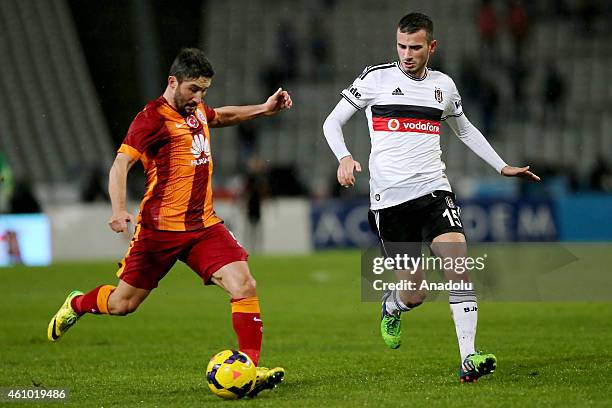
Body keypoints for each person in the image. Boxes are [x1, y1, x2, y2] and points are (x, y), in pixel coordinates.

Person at [47, 48, 292, 397]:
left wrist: (263, 109)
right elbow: (120, 165)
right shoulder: (151, 118)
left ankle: (248, 370)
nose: (199, 98)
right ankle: (77, 303)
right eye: (193, 89)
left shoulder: (196, 111)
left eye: (204, 90)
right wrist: (118, 210)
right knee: (122, 305)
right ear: (172, 81)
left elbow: (220, 116)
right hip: (158, 231)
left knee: (244, 285)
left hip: (204, 227)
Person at [322, 13, 540, 382]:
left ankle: (469, 358)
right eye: (401, 46)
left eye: (416, 47)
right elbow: (332, 121)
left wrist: (501, 166)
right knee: (417, 292)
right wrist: (344, 156)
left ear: (431, 47)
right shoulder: (376, 78)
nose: (407, 54)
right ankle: (392, 305)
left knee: (458, 264)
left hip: (434, 190)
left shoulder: (444, 86)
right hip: (389, 200)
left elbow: (464, 129)